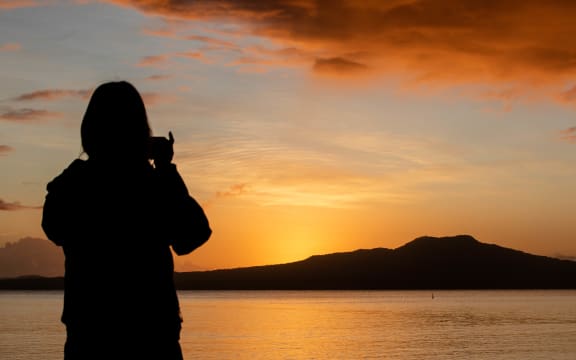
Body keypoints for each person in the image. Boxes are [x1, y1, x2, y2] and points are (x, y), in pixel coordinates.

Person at [41, 81, 212, 359]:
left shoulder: (74, 185)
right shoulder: (153, 185)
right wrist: (166, 169)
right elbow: (192, 235)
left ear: (90, 129)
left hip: (90, 337)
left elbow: (53, 227)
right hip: (152, 338)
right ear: (140, 130)